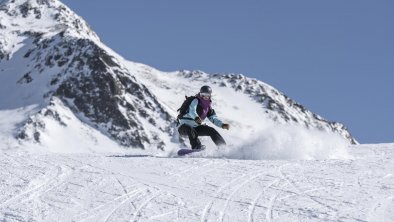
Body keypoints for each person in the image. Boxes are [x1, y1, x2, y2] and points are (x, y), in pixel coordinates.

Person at [177, 85, 230, 149]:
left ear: (210, 95)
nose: (205, 97)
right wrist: (196, 118)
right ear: (200, 94)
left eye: (207, 95)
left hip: (196, 128)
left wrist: (222, 125)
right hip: (183, 127)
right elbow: (192, 110)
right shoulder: (196, 100)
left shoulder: (208, 107)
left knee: (211, 130)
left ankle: (223, 147)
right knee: (189, 128)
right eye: (203, 94)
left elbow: (213, 118)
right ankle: (196, 147)